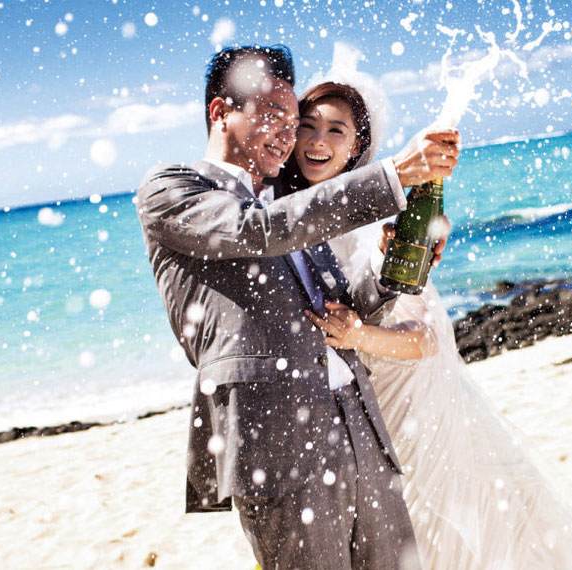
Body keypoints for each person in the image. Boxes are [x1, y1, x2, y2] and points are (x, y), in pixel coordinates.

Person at [135, 45, 459, 570]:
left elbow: (342, 311)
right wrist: (394, 175)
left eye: (292, 122)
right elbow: (255, 231)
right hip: (279, 446)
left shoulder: (282, 205)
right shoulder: (172, 189)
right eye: (273, 115)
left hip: (359, 424)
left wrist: (389, 264)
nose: (289, 135)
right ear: (220, 112)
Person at [286, 81, 572, 570]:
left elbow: (426, 338)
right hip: (353, 412)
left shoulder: (382, 223)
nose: (318, 140)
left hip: (411, 406)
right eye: (308, 126)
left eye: (335, 130)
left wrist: (359, 335)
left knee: (443, 538)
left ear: (357, 145)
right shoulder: (290, 216)